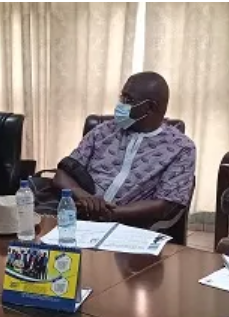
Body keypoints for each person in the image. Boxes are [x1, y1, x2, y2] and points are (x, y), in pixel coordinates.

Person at [51, 72, 196, 228]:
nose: (121, 104)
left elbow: (165, 204)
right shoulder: (103, 131)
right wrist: (85, 198)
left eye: (128, 100)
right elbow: (62, 174)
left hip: (130, 226)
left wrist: (110, 213)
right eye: (122, 97)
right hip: (78, 215)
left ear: (150, 107)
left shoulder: (180, 147)